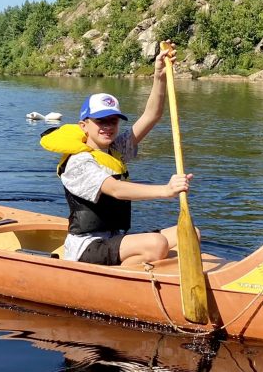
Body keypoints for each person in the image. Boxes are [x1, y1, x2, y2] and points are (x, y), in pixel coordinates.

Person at [40, 43, 192, 268]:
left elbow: (152, 115)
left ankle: (153, 269)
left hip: (114, 239)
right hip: (87, 247)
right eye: (101, 121)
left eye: (113, 121)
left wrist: (159, 74)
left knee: (190, 234)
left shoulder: (115, 149)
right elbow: (116, 190)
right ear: (84, 125)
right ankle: (126, 280)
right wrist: (166, 190)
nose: (108, 127)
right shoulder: (78, 162)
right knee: (157, 244)